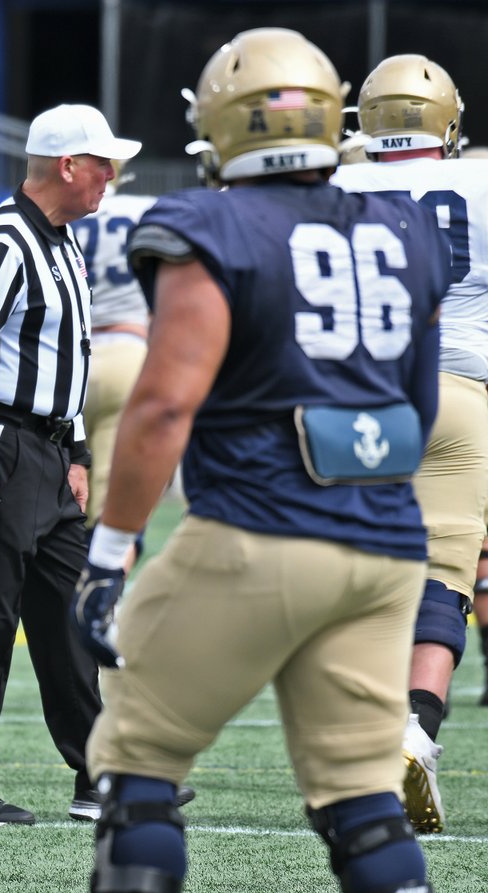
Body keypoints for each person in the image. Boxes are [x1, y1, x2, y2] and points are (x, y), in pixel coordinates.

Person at [73, 28, 448, 893]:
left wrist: (106, 553)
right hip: (388, 545)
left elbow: (166, 403)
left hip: (257, 532)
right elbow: (416, 407)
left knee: (138, 768)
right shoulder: (406, 224)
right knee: (362, 797)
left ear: (224, 125)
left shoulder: (209, 221)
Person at [0, 103, 138, 828]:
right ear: (68, 165)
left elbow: (64, 359)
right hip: (0, 445)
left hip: (49, 452)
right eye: (102, 162)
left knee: (71, 616)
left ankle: (97, 772)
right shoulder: (5, 241)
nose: (112, 174)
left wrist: (76, 450)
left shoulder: (63, 243)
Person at [330, 54, 485, 837]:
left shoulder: (326, 189)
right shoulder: (484, 184)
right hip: (460, 394)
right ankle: (415, 727)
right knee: (447, 570)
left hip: (350, 397)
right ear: (447, 121)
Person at [70, 161, 156, 535]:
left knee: (68, 482)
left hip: (71, 358)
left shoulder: (62, 216)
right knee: (111, 491)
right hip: (128, 352)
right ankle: (103, 584)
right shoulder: (144, 211)